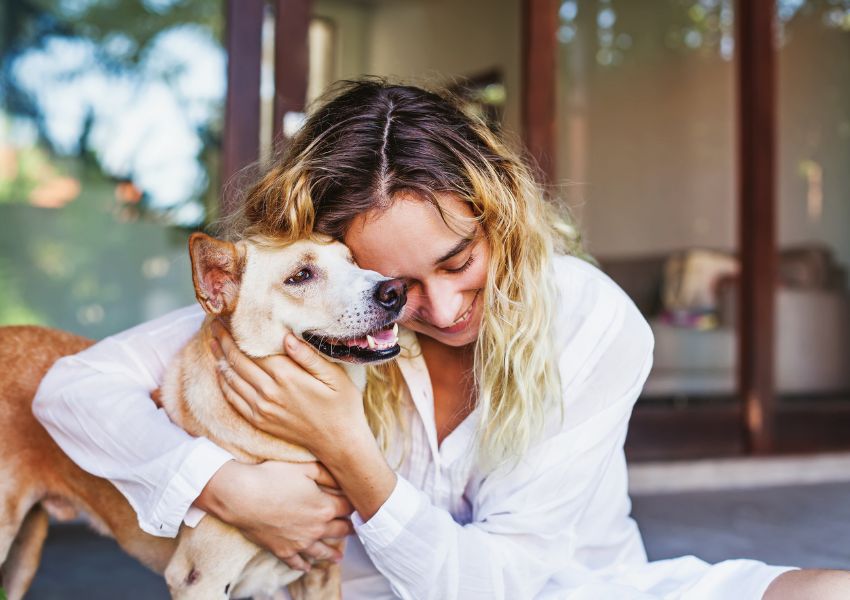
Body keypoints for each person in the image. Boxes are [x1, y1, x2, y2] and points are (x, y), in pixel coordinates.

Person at [33, 78, 849, 599]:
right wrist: (224, 486)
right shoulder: (318, 308)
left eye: (459, 260)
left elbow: (493, 585)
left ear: (498, 214)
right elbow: (68, 391)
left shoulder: (588, 318)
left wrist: (345, 445)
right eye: (393, 287)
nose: (446, 306)